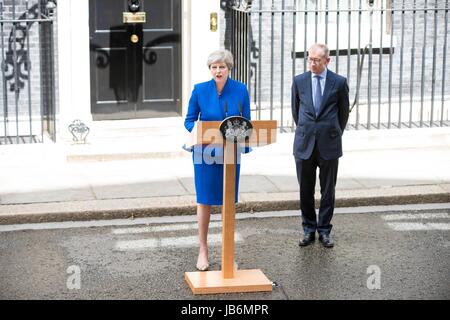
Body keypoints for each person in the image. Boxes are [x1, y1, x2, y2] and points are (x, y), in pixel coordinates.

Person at [184, 49, 250, 270]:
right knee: (204, 200)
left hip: (230, 154)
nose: (218, 70)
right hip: (204, 153)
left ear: (228, 68)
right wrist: (205, 132)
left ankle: (227, 253)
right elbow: (189, 120)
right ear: (210, 69)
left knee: (227, 203)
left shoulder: (240, 90)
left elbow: (247, 122)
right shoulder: (200, 90)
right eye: (214, 67)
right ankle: (203, 250)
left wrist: (239, 139)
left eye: (222, 66)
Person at [291, 43, 349, 248]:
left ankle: (324, 230)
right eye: (309, 59)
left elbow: (344, 114)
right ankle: (308, 229)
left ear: (327, 60)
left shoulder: (339, 82)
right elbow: (296, 111)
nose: (312, 64)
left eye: (316, 60)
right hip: (304, 143)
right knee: (305, 190)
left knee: (328, 191)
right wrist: (309, 131)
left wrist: (332, 132)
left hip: (329, 143)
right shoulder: (299, 81)